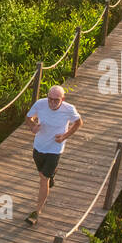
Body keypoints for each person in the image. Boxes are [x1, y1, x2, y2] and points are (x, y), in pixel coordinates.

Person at [24, 85, 82, 225]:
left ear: (62, 99)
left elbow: (79, 123)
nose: (52, 103)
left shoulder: (69, 109)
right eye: (50, 99)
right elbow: (28, 118)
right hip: (39, 147)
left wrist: (65, 136)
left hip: (55, 149)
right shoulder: (40, 104)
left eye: (56, 100)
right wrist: (32, 127)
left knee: (43, 179)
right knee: (43, 175)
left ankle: (37, 212)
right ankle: (52, 174)